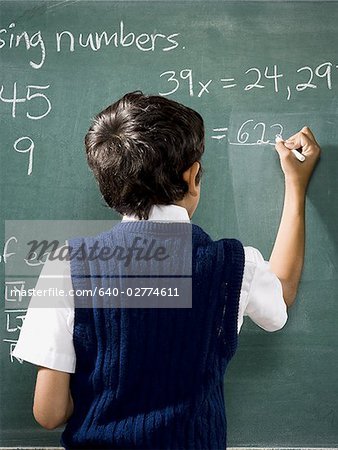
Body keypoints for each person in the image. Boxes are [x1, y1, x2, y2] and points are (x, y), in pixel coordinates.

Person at [12, 92, 321, 449]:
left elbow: (49, 413)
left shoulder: (67, 264)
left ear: (108, 186)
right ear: (192, 177)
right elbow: (281, 296)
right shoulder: (233, 265)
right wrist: (295, 186)